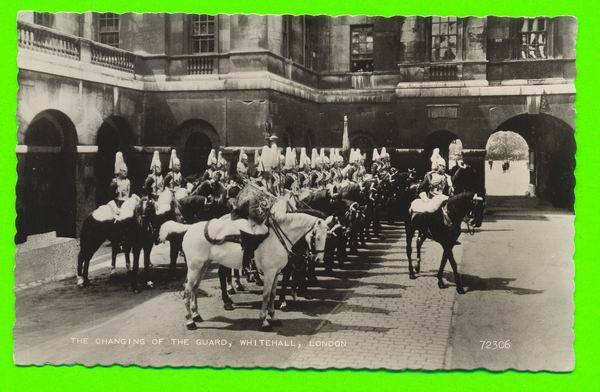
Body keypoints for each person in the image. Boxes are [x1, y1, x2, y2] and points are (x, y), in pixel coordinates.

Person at [108, 151, 131, 219]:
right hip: (116, 203)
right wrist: (113, 185)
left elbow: (127, 195)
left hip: (125, 203)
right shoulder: (115, 181)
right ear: (119, 171)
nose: (125, 172)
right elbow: (110, 194)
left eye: (126, 170)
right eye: (123, 171)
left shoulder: (127, 181)